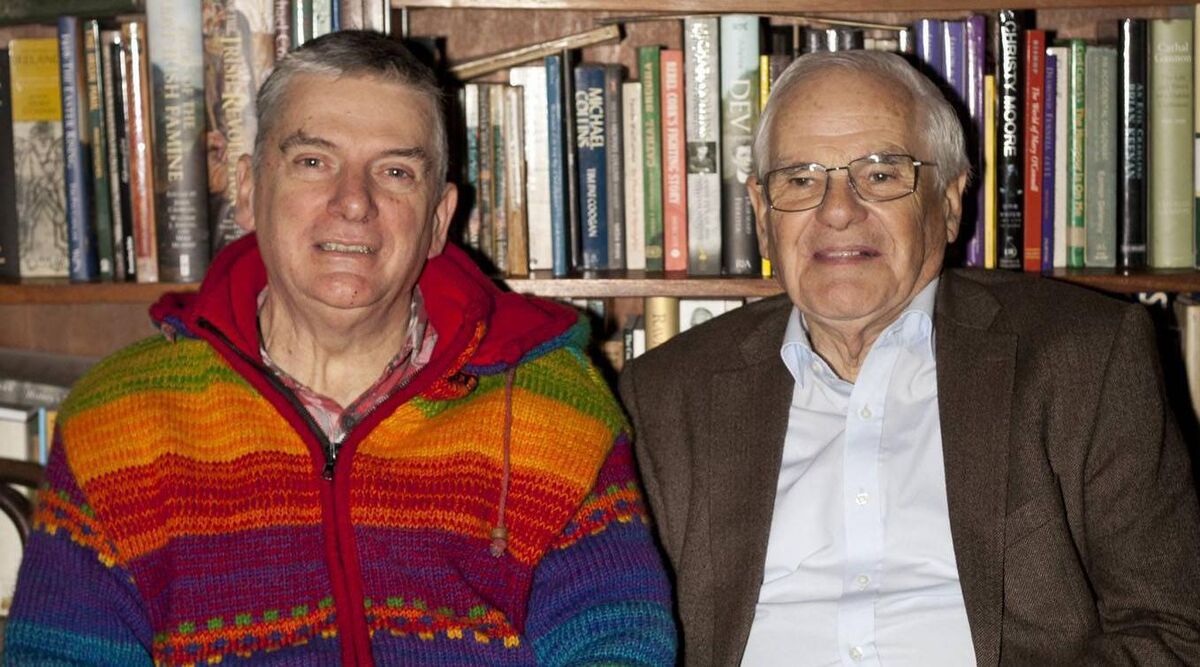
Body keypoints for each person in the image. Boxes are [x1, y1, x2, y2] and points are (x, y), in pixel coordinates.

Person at [6, 31, 675, 666]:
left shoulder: (550, 407)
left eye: (395, 171)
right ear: (248, 190)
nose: (353, 202)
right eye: (313, 161)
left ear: (439, 219)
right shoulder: (118, 421)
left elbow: (618, 642)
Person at [619, 49, 1200, 666]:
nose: (837, 210)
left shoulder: (1084, 356)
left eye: (880, 174)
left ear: (949, 202)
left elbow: (1174, 627)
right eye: (800, 180)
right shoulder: (665, 394)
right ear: (762, 217)